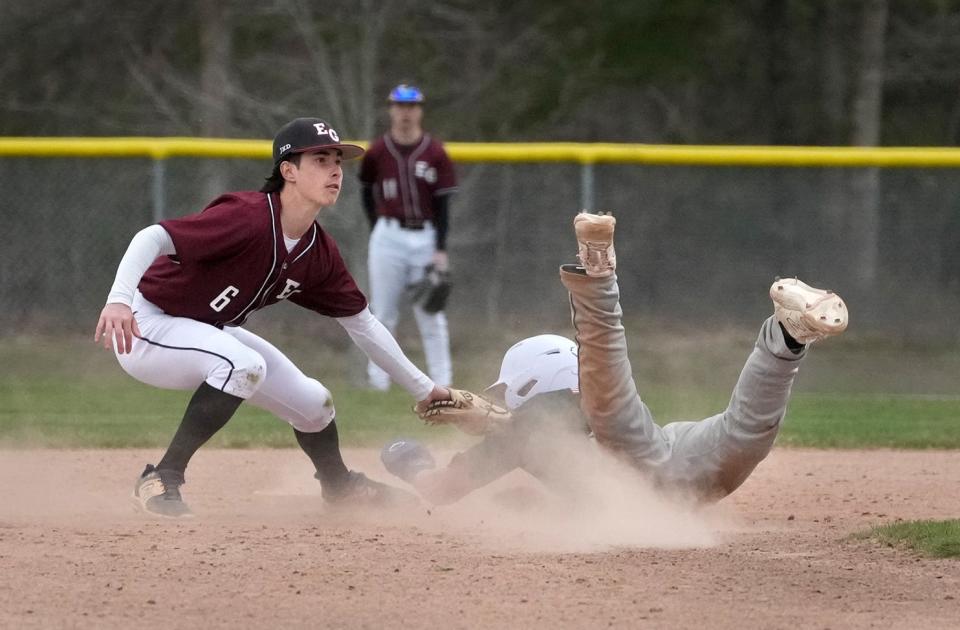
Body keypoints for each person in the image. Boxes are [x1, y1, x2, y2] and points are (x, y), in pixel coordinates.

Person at [94, 117, 453, 518]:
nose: (335, 170)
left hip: (204, 330)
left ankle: (339, 486)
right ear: (288, 171)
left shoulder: (318, 251)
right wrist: (118, 301)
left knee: (315, 403)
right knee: (243, 364)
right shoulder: (247, 216)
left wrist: (425, 390)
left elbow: (364, 325)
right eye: (320, 159)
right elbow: (153, 236)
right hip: (146, 325)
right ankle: (162, 476)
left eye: (338, 160)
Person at [381, 212, 849, 505]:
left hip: (647, 464)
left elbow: (442, 491)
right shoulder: (548, 431)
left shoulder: (543, 420)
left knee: (609, 392)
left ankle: (598, 277)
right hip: (679, 453)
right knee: (746, 428)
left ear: (532, 385)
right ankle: (789, 335)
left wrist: (409, 460)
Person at [358, 83, 458, 391]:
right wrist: (378, 228)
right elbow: (366, 192)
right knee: (382, 314)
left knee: (431, 314)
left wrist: (440, 248)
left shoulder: (435, 152)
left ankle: (443, 383)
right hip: (388, 234)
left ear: (420, 110)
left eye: (412, 106)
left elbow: (442, 205)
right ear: (391, 109)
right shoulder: (377, 151)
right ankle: (378, 384)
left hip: (425, 236)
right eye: (399, 106)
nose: (405, 112)